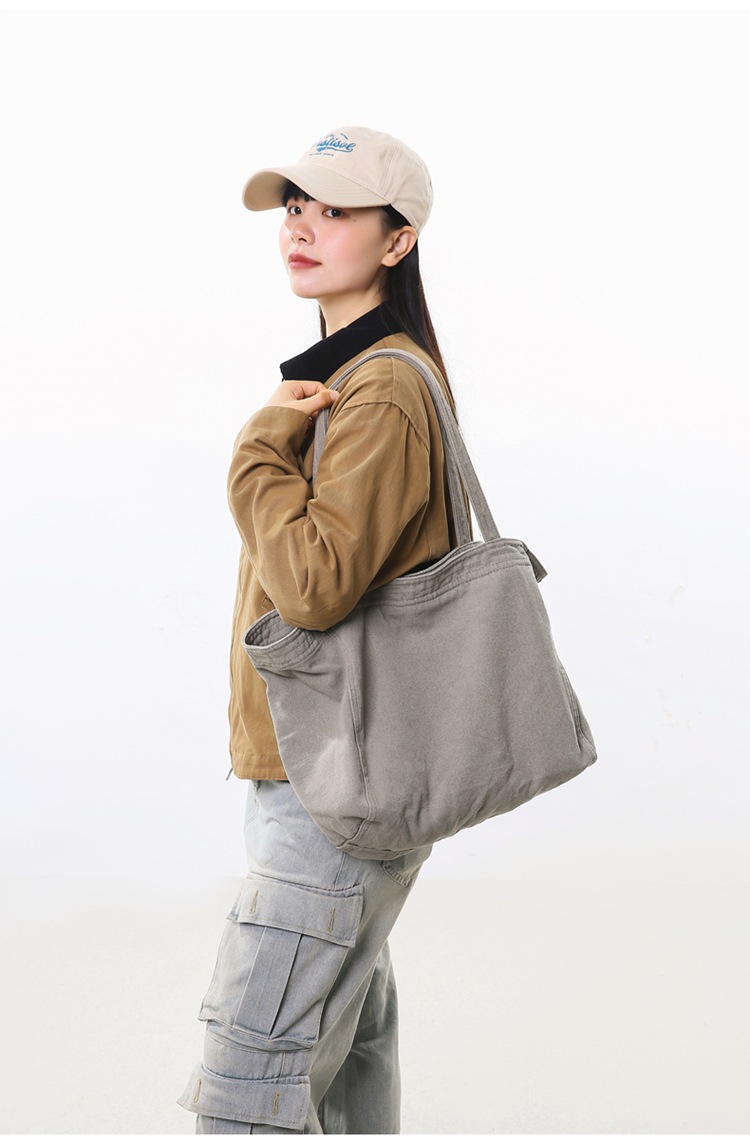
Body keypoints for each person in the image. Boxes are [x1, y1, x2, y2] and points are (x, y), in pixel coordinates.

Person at [179, 126, 458, 1134]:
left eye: (335, 209)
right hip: (332, 777)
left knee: (250, 1098)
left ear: (398, 240)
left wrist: (257, 447)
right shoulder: (361, 375)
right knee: (338, 1087)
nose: (301, 225)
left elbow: (313, 585)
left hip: (332, 790)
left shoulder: (380, 387)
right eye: (296, 206)